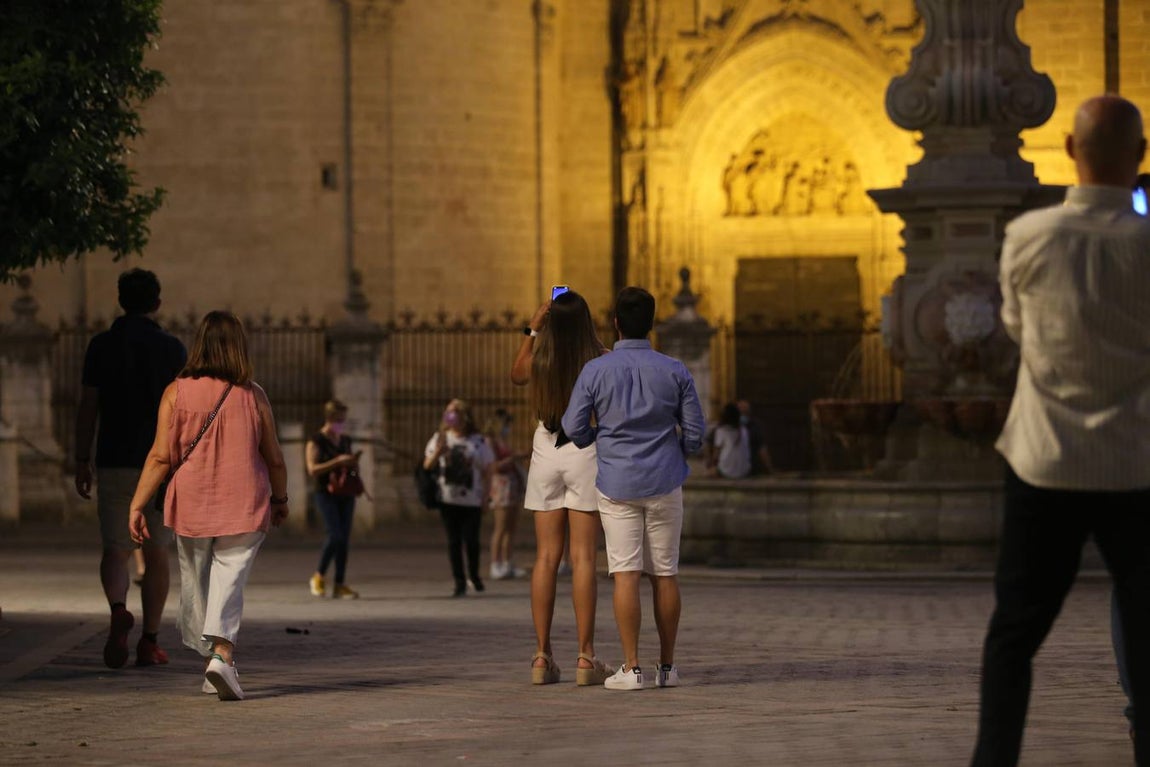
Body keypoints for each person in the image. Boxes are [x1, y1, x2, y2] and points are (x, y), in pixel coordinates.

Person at [972, 94, 1150, 765]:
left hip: (1045, 457)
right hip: (1135, 462)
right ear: (1140, 155)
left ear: (1071, 151)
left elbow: (1018, 328)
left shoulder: (1029, 236)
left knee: (1014, 633)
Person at [128, 311, 289, 701]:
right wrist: (280, 499)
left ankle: (213, 660)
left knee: (198, 581)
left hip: (191, 503)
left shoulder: (175, 392)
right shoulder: (253, 395)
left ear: (199, 344)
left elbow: (160, 457)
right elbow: (274, 458)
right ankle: (222, 655)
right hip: (244, 501)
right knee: (229, 578)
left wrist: (137, 505)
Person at [562, 286, 706, 691]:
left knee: (625, 572)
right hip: (665, 479)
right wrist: (677, 451)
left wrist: (599, 437)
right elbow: (696, 433)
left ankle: (632, 667)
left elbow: (573, 427)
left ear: (616, 324)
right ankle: (668, 667)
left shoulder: (595, 370)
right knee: (665, 573)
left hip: (617, 481)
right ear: (653, 323)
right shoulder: (675, 369)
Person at [73, 268, 187, 669]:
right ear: (157, 303)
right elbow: (183, 413)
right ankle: (149, 642)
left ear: (121, 301)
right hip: (159, 465)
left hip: (113, 460)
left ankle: (118, 608)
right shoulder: (172, 349)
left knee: (116, 549)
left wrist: (81, 458)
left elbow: (88, 406)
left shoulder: (101, 346)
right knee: (157, 553)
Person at [511, 289, 612, 686]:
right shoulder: (598, 361)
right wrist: (597, 342)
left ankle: (542, 655)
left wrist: (531, 330)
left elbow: (517, 374)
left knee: (546, 557)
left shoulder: (541, 359)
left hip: (546, 452)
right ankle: (585, 656)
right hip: (584, 451)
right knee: (583, 557)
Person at [424, 399, 493, 597]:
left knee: (471, 540)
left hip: (472, 499)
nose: (450, 416)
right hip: (448, 499)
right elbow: (427, 465)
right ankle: (459, 581)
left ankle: (474, 575)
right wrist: (438, 452)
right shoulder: (440, 438)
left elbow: (488, 470)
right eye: (448, 411)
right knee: (453, 541)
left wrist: (486, 497)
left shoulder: (478, 441)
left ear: (465, 416)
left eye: (454, 412)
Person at [306, 400, 361, 599]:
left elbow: (349, 464)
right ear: (329, 418)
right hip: (325, 492)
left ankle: (339, 584)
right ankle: (318, 576)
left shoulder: (345, 440)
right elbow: (312, 469)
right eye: (338, 420)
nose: (341, 424)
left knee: (344, 539)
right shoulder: (316, 441)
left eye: (343, 420)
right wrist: (337, 461)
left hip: (346, 493)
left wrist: (352, 463)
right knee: (335, 534)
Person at [483, 408, 527, 580]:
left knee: (511, 527)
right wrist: (513, 458)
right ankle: (495, 563)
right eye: (506, 424)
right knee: (500, 527)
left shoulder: (503, 441)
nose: (508, 428)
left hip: (512, 485)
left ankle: (508, 563)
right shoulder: (490, 441)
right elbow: (493, 466)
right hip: (501, 486)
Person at [705, 402, 752, 479]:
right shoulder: (744, 430)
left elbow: (716, 454)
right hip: (745, 470)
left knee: (710, 472)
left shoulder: (721, 430)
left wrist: (711, 465)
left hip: (726, 470)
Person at [737, 399, 775, 475]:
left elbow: (762, 448)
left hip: (751, 466)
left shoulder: (755, 426)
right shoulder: (728, 426)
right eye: (740, 411)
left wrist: (769, 468)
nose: (742, 413)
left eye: (745, 411)